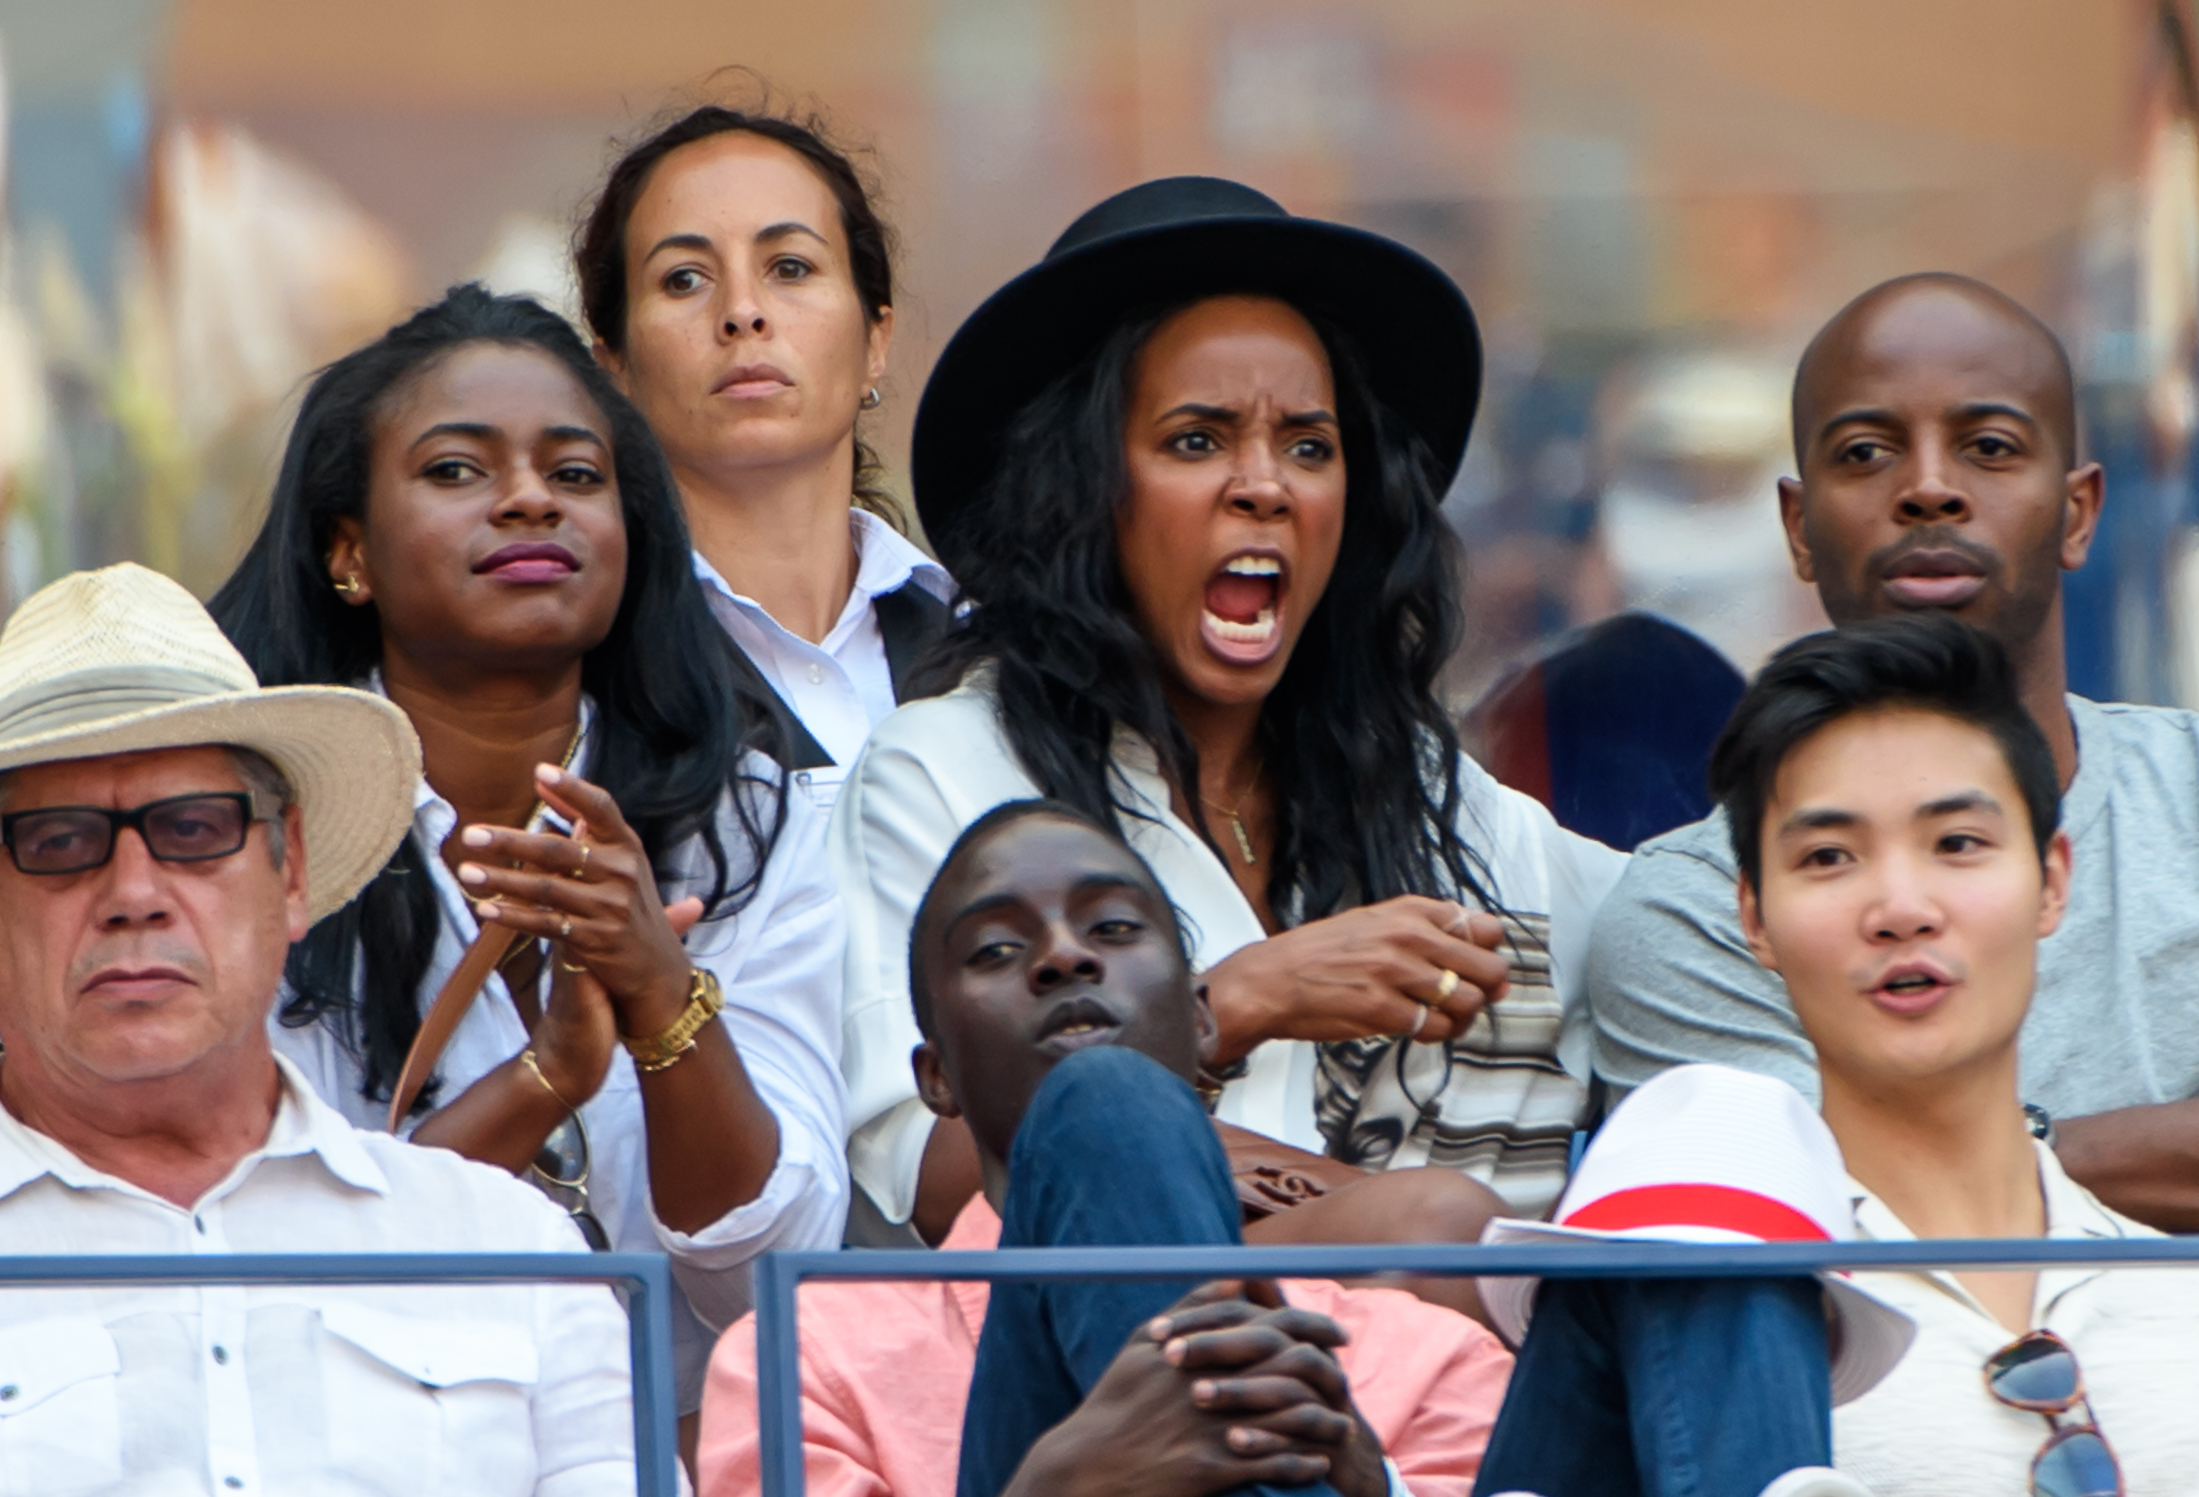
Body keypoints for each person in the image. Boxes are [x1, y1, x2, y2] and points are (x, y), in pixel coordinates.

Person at [702, 800, 1908, 1497]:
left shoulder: (1399, 1337)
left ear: (1194, 1013)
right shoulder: (815, 1346)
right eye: (998, 951)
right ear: (935, 1078)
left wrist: (1368, 1491)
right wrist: (1068, 1490)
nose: (1065, 958)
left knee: (1708, 1127)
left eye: (1114, 930)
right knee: (1106, 1107)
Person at [836, 176, 1626, 1247]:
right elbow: (935, 1171)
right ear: (1084, 490)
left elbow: (1662, 923)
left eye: (1309, 445)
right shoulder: (952, 765)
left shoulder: (1437, 798)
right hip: (1119, 1378)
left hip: (1448, 1401)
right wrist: (1233, 1005)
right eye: (1198, 440)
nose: (1266, 485)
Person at [1590, 271, 2199, 1257]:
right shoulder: (1709, 904)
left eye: (1989, 446)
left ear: (2079, 512)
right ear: (1799, 529)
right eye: (1865, 452)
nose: (1929, 486)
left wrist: (1952, 1167)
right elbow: (1803, 1225)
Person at [0, 562, 709, 1497]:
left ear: (287, 869)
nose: (135, 893)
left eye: (194, 829)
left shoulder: (504, 1242)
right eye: (58, 843)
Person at [209, 284, 848, 1415]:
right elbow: (284, 1268)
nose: (526, 502)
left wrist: (661, 994)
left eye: (576, 475)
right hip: (357, 1451)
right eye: (458, 470)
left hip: (675, 1470)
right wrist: (543, 1081)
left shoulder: (747, 814)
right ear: (347, 551)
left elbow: (765, 1278)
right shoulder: (241, 827)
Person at [1697, 613, 2199, 1497]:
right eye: (1828, 858)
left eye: (1957, 841)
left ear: (2051, 880)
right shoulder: (1712, 1333)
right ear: (1754, 920)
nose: (1901, 904)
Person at [575, 102, 955, 794]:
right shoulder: (571, 667)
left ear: (876, 341)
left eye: (790, 267)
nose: (743, 312)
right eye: (683, 278)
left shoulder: (989, 653)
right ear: (615, 367)